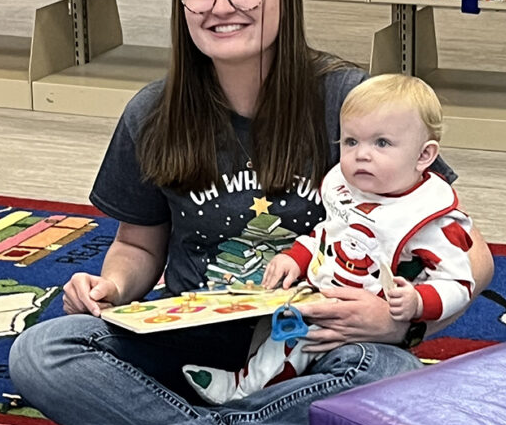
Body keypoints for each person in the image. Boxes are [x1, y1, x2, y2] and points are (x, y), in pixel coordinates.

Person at [8, 0, 494, 425]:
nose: (222, 5)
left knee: (390, 375)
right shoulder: (152, 112)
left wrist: (396, 323)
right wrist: (110, 286)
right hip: (193, 341)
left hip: (315, 345)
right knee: (42, 352)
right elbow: (138, 245)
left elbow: (471, 256)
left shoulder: (351, 102)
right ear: (181, 0)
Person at [183, 73, 475, 404]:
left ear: (424, 156)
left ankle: (243, 403)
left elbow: (459, 283)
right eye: (351, 142)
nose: (362, 154)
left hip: (372, 330)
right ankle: (248, 392)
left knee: (370, 373)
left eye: (381, 143)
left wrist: (418, 303)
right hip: (319, 305)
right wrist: (295, 258)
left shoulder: (430, 219)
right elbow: (326, 235)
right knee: (286, 339)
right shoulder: (348, 191)